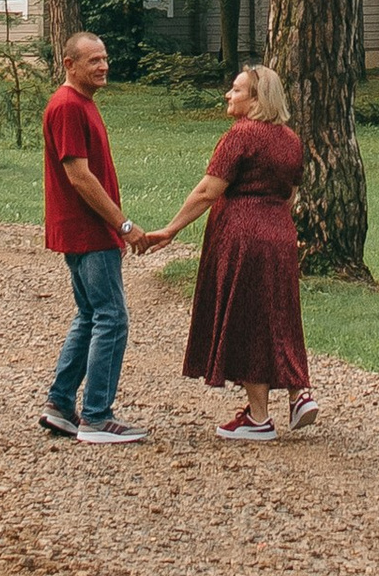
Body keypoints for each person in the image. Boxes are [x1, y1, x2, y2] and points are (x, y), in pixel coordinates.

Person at [149, 61, 318, 439]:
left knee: (247, 321)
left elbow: (209, 190)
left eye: (237, 89)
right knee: (279, 314)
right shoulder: (290, 139)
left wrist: (171, 229)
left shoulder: (240, 135)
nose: (229, 94)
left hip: (243, 236)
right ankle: (298, 391)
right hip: (280, 236)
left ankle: (259, 418)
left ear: (257, 99)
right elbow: (290, 193)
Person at [38, 29, 154, 442]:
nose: (103, 66)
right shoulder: (69, 105)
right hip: (89, 231)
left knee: (90, 315)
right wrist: (123, 225)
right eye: (93, 61)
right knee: (111, 317)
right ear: (70, 64)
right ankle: (97, 416)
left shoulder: (81, 103)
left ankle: (60, 404)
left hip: (82, 230)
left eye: (104, 58)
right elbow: (79, 177)